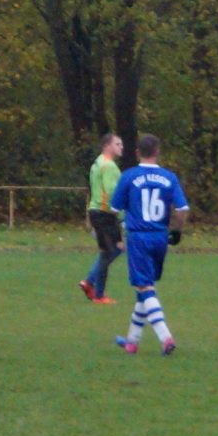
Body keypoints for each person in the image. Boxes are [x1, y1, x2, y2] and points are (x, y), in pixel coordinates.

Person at [110, 134, 190, 356]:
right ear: (157, 152)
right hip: (160, 237)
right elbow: (182, 210)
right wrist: (176, 231)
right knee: (145, 288)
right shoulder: (169, 177)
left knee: (145, 288)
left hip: (138, 238)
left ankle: (166, 338)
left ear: (137, 152)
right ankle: (132, 342)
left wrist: (117, 235)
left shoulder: (128, 176)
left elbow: (113, 210)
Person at [80, 133, 125, 304]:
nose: (121, 147)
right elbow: (112, 191)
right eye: (117, 144)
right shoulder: (109, 166)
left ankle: (89, 282)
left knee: (114, 249)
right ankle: (99, 295)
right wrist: (120, 214)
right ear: (107, 146)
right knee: (109, 251)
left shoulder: (97, 163)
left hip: (96, 211)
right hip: (105, 213)